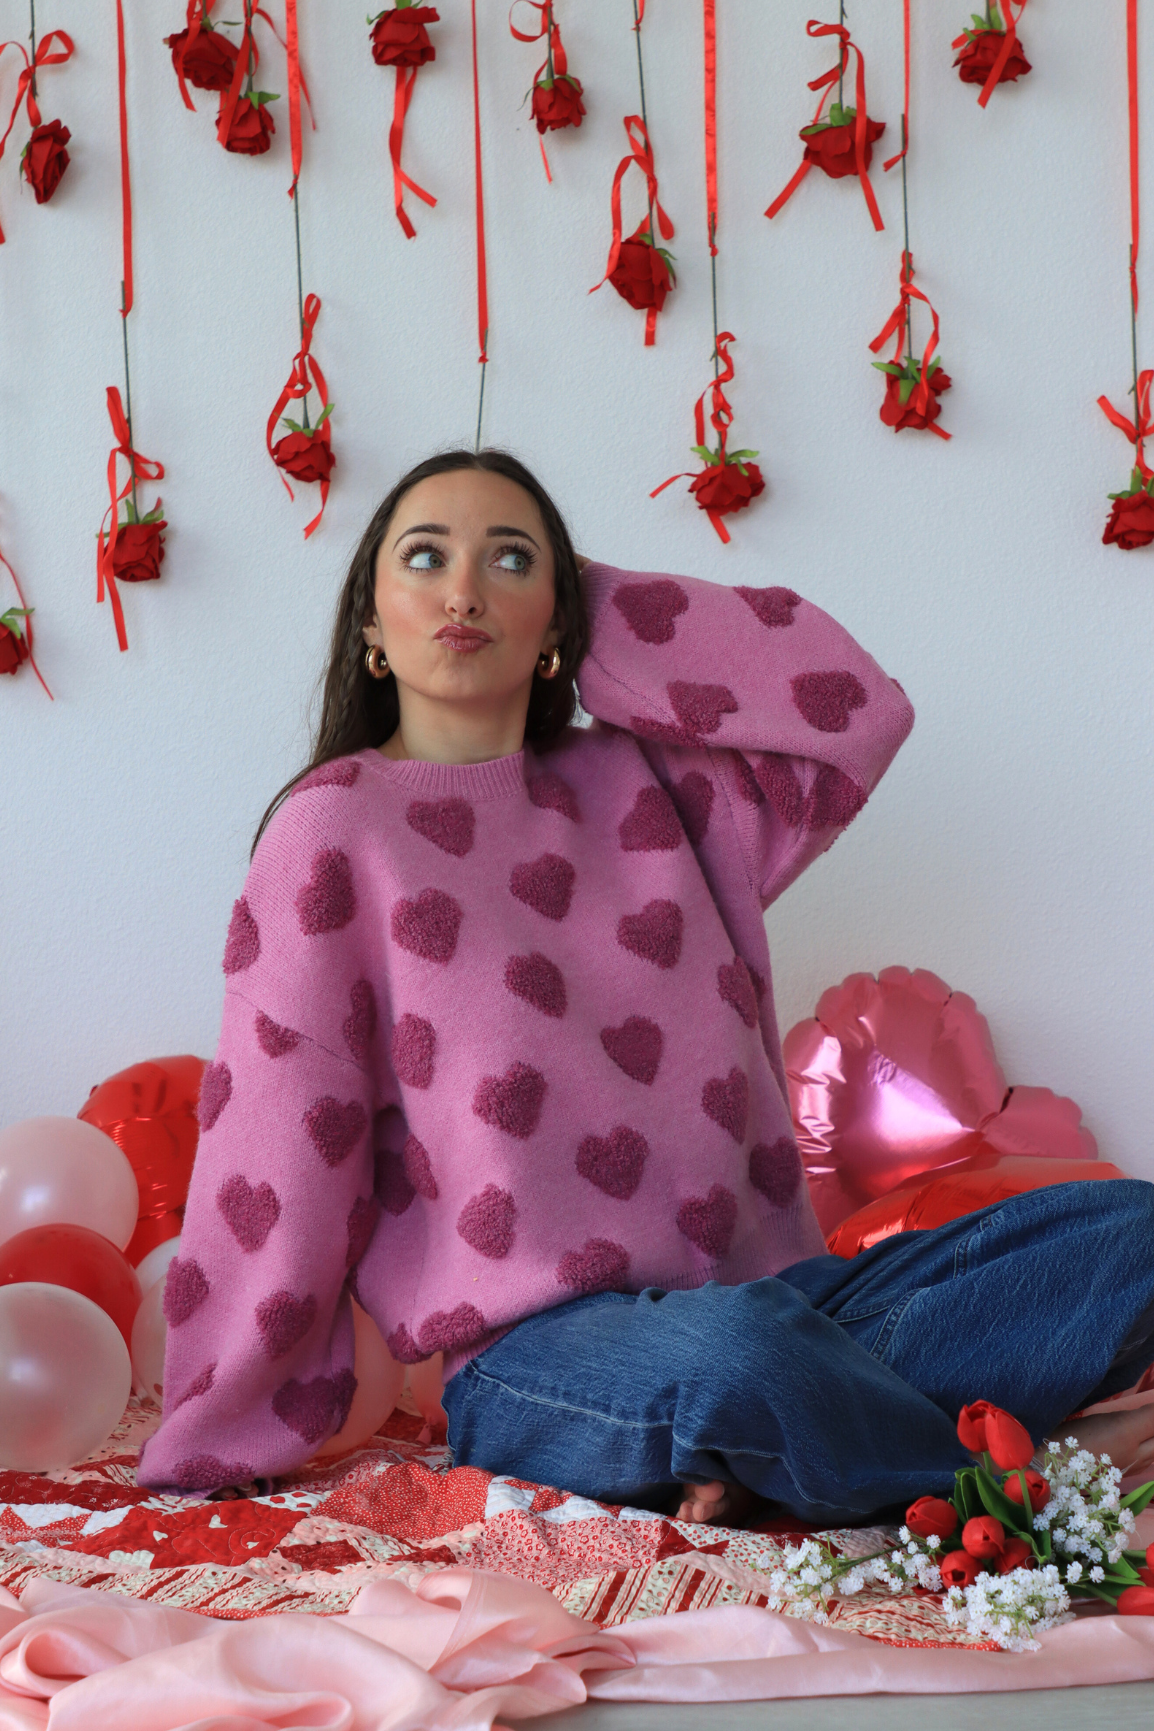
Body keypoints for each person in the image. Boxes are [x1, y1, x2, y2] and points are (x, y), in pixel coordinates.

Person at [138, 449, 1154, 1524]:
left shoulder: (649, 787)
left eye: (511, 560)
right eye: (424, 557)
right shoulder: (333, 830)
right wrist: (217, 1426)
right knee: (735, 1368)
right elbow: (280, 1135)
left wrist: (594, 610)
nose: (464, 589)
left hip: (782, 1307)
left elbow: (850, 710)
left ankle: (781, 1456)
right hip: (543, 1358)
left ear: (556, 628)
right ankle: (1021, 1490)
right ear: (370, 628)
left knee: (1121, 1237)